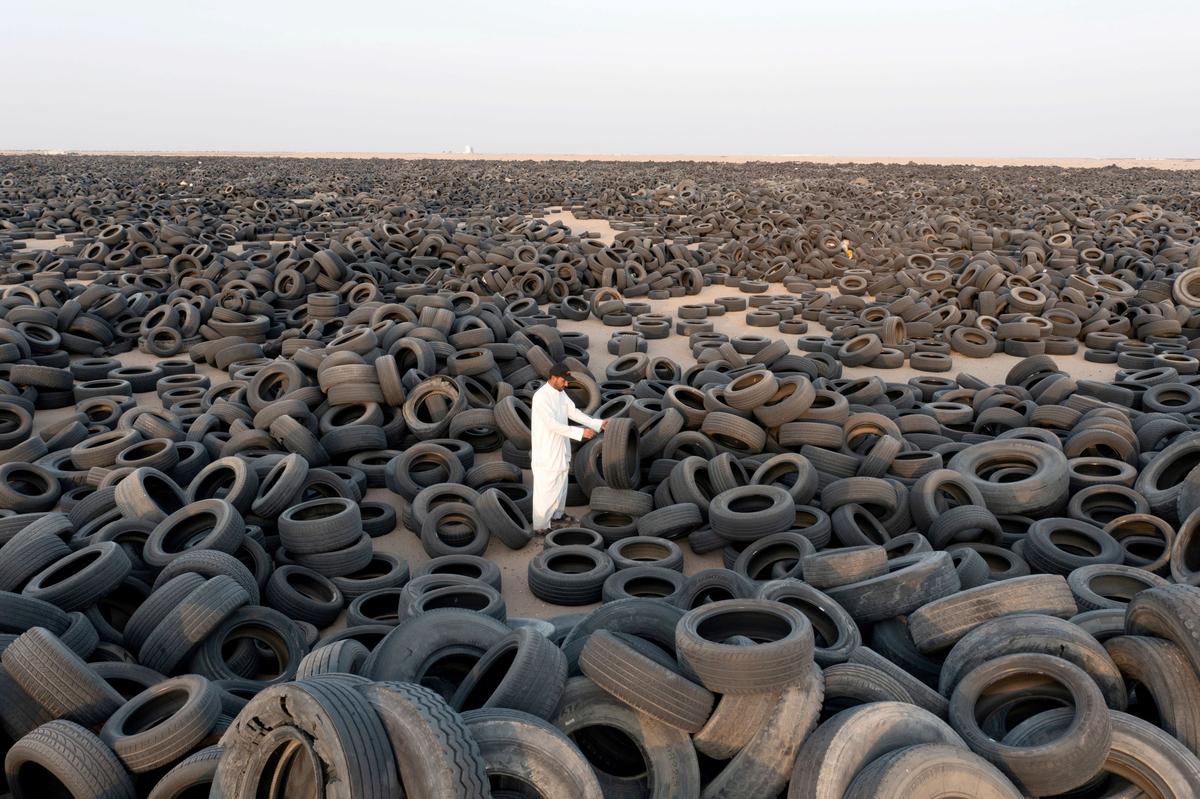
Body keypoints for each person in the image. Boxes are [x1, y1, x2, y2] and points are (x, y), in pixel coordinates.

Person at [531, 362, 607, 534]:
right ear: (554, 378)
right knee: (546, 488)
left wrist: (598, 424)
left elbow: (574, 413)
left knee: (561, 484)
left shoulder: (560, 393)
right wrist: (580, 433)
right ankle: (541, 527)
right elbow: (552, 425)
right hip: (547, 451)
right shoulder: (541, 397)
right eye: (564, 380)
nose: (566, 384)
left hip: (561, 448)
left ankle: (558, 515)